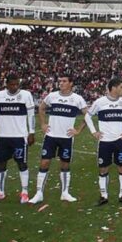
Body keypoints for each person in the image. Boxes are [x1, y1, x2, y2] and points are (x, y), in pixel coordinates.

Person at [28, 75, 88, 204]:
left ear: (71, 83)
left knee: (65, 164)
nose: (61, 83)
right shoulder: (52, 96)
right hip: (51, 136)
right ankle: (39, 193)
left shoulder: (77, 99)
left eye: (64, 81)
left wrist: (78, 130)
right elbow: (41, 108)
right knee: (44, 163)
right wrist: (43, 124)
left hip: (66, 138)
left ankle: (65, 193)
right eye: (60, 81)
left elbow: (88, 115)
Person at [0, 74, 36, 204]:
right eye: (11, 84)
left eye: (16, 84)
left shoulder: (26, 95)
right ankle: (0, 192)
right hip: (3, 136)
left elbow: (31, 115)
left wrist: (31, 132)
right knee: (0, 164)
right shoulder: (0, 95)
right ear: (6, 84)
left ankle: (24, 192)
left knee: (22, 164)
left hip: (20, 137)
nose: (14, 87)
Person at [85, 78, 122, 206]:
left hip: (120, 141)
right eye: (121, 87)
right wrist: (94, 132)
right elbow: (88, 116)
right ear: (113, 88)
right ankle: (103, 196)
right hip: (105, 142)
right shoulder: (100, 102)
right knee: (103, 168)